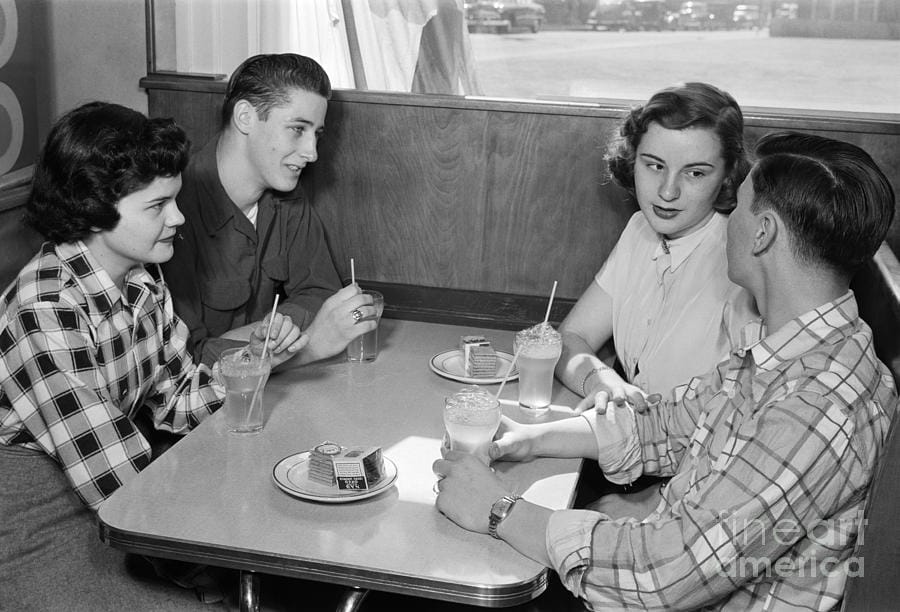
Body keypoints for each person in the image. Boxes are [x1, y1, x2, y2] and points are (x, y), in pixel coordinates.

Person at [434, 131, 898, 611]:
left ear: (763, 233)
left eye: (737, 207)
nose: (728, 222)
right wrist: (530, 439)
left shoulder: (818, 406)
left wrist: (498, 510)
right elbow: (667, 424)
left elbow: (665, 574)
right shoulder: (786, 344)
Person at [0, 101, 305, 609]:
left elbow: (179, 401)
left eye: (176, 200)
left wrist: (254, 363)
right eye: (157, 206)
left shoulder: (141, 281)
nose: (178, 218)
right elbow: (112, 474)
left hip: (107, 492)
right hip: (29, 518)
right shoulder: (44, 307)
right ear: (93, 208)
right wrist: (217, 541)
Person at [161, 53, 376, 366]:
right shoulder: (172, 210)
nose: (312, 153)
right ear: (246, 117)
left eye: (316, 134)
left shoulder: (288, 194)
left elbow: (320, 294)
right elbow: (186, 359)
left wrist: (273, 331)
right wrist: (298, 347)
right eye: (297, 129)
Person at [556, 82, 757, 415]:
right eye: (655, 165)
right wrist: (602, 381)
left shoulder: (741, 260)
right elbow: (572, 336)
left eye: (694, 172)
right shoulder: (639, 230)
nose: (667, 192)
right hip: (626, 441)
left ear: (727, 175)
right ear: (633, 159)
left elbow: (745, 408)